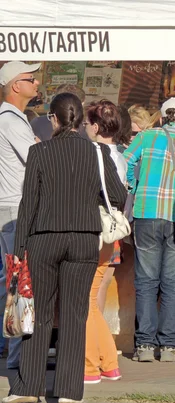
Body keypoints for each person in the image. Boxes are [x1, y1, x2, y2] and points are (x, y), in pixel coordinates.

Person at [1, 92, 126, 403]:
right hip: (84, 238)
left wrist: (18, 251)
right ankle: (70, 391)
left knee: (39, 313)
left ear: (53, 119)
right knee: (75, 312)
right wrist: (87, 203)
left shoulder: (40, 151)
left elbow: (28, 203)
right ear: (81, 120)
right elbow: (118, 196)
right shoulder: (97, 152)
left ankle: (29, 386)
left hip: (44, 238)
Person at [123, 97, 175, 363]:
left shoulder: (145, 138)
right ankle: (169, 346)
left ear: (161, 117)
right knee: (172, 283)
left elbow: (124, 165)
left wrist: (135, 187)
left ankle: (144, 345)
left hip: (145, 213)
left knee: (145, 282)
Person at [0, 61, 41, 371]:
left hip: (9, 204)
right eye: (31, 78)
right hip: (15, 207)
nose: (37, 83)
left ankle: (8, 349)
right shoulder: (12, 121)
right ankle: (15, 356)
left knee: (8, 281)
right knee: (18, 282)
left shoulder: (10, 118)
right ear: (16, 85)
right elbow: (37, 157)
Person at [83, 100, 127, 384]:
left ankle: (90, 367)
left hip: (94, 232)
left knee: (85, 301)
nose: (84, 128)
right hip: (112, 234)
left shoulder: (95, 154)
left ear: (96, 127)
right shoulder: (120, 156)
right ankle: (109, 363)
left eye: (87, 124)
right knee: (90, 300)